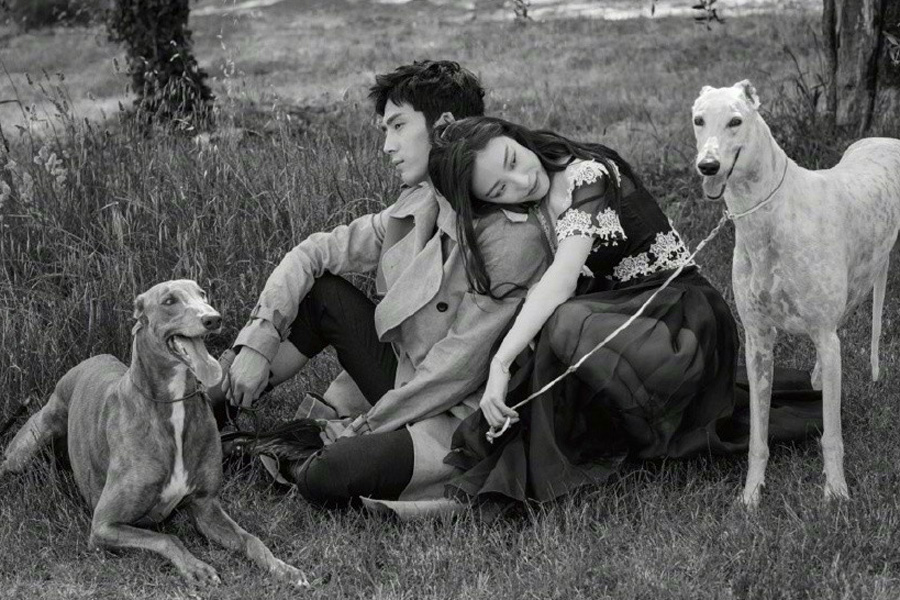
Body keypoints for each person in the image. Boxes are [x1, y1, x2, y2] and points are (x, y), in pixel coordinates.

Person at [428, 116, 822, 503]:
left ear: (514, 135)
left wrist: (499, 363)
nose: (521, 182)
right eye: (499, 190)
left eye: (513, 161)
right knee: (542, 340)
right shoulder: (537, 200)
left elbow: (562, 280)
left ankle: (648, 426)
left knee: (563, 321)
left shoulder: (588, 174)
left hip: (683, 322)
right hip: (632, 324)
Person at [208, 62, 550, 507]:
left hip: (456, 415)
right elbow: (314, 252)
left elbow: (454, 372)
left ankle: (255, 449)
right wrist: (258, 342)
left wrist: (362, 427)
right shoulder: (421, 201)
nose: (387, 145)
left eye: (398, 126)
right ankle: (202, 408)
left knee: (331, 475)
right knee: (322, 296)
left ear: (444, 126)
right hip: (407, 378)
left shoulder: (510, 234)